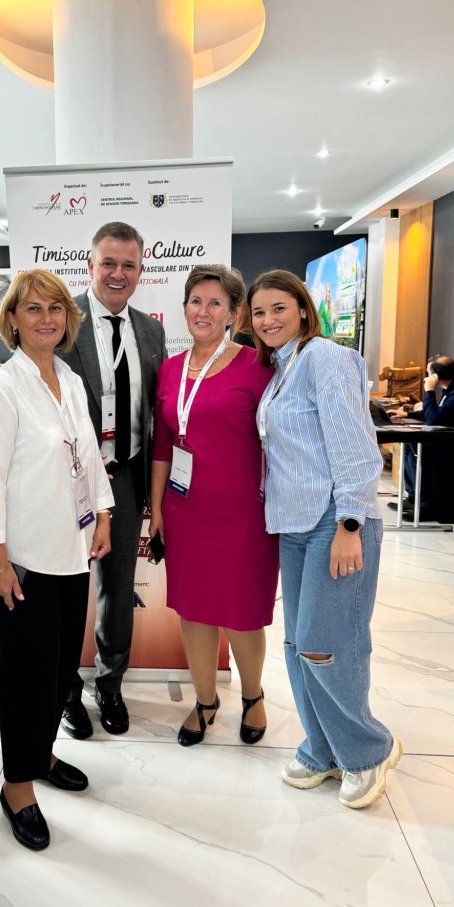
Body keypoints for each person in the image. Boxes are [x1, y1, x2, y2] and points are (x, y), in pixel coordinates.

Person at [0, 269, 114, 850]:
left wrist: (104, 514)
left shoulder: (69, 379)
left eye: (55, 308)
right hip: (24, 560)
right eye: (33, 308)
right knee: (27, 677)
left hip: (71, 550)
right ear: (12, 320)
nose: (46, 318)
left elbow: (89, 455)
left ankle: (41, 753)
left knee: (58, 671)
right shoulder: (2, 389)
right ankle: (18, 787)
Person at [248, 270, 402, 809]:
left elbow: (355, 445)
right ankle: (323, 748)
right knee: (298, 644)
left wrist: (350, 524)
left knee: (329, 643)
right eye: (259, 312)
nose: (268, 320)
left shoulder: (325, 359)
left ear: (303, 309)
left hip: (335, 521)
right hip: (294, 522)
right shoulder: (281, 368)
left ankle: (367, 750)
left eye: (279, 308)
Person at [149, 265, 278, 746]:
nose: (203, 312)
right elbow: (164, 443)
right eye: (195, 301)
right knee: (195, 610)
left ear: (233, 314)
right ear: (184, 307)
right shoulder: (169, 369)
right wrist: (156, 508)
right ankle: (205, 701)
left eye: (215, 303)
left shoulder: (258, 366)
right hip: (185, 512)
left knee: (242, 612)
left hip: (244, 514)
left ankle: (252, 695)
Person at [60, 221, 167, 739]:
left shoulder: (151, 330)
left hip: (125, 477)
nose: (118, 274)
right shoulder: (61, 324)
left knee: (118, 590)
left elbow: (155, 411)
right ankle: (64, 690)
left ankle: (110, 683)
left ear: (141, 270)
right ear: (90, 265)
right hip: (68, 483)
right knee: (63, 589)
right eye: (108, 263)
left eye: (129, 264)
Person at [388, 355, 454, 520]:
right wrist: (407, 414)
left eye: (428, 373)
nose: (426, 378)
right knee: (409, 444)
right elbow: (437, 413)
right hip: (453, 439)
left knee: (420, 451)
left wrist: (429, 391)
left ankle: (425, 506)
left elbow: (434, 420)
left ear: (435, 376)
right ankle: (413, 498)